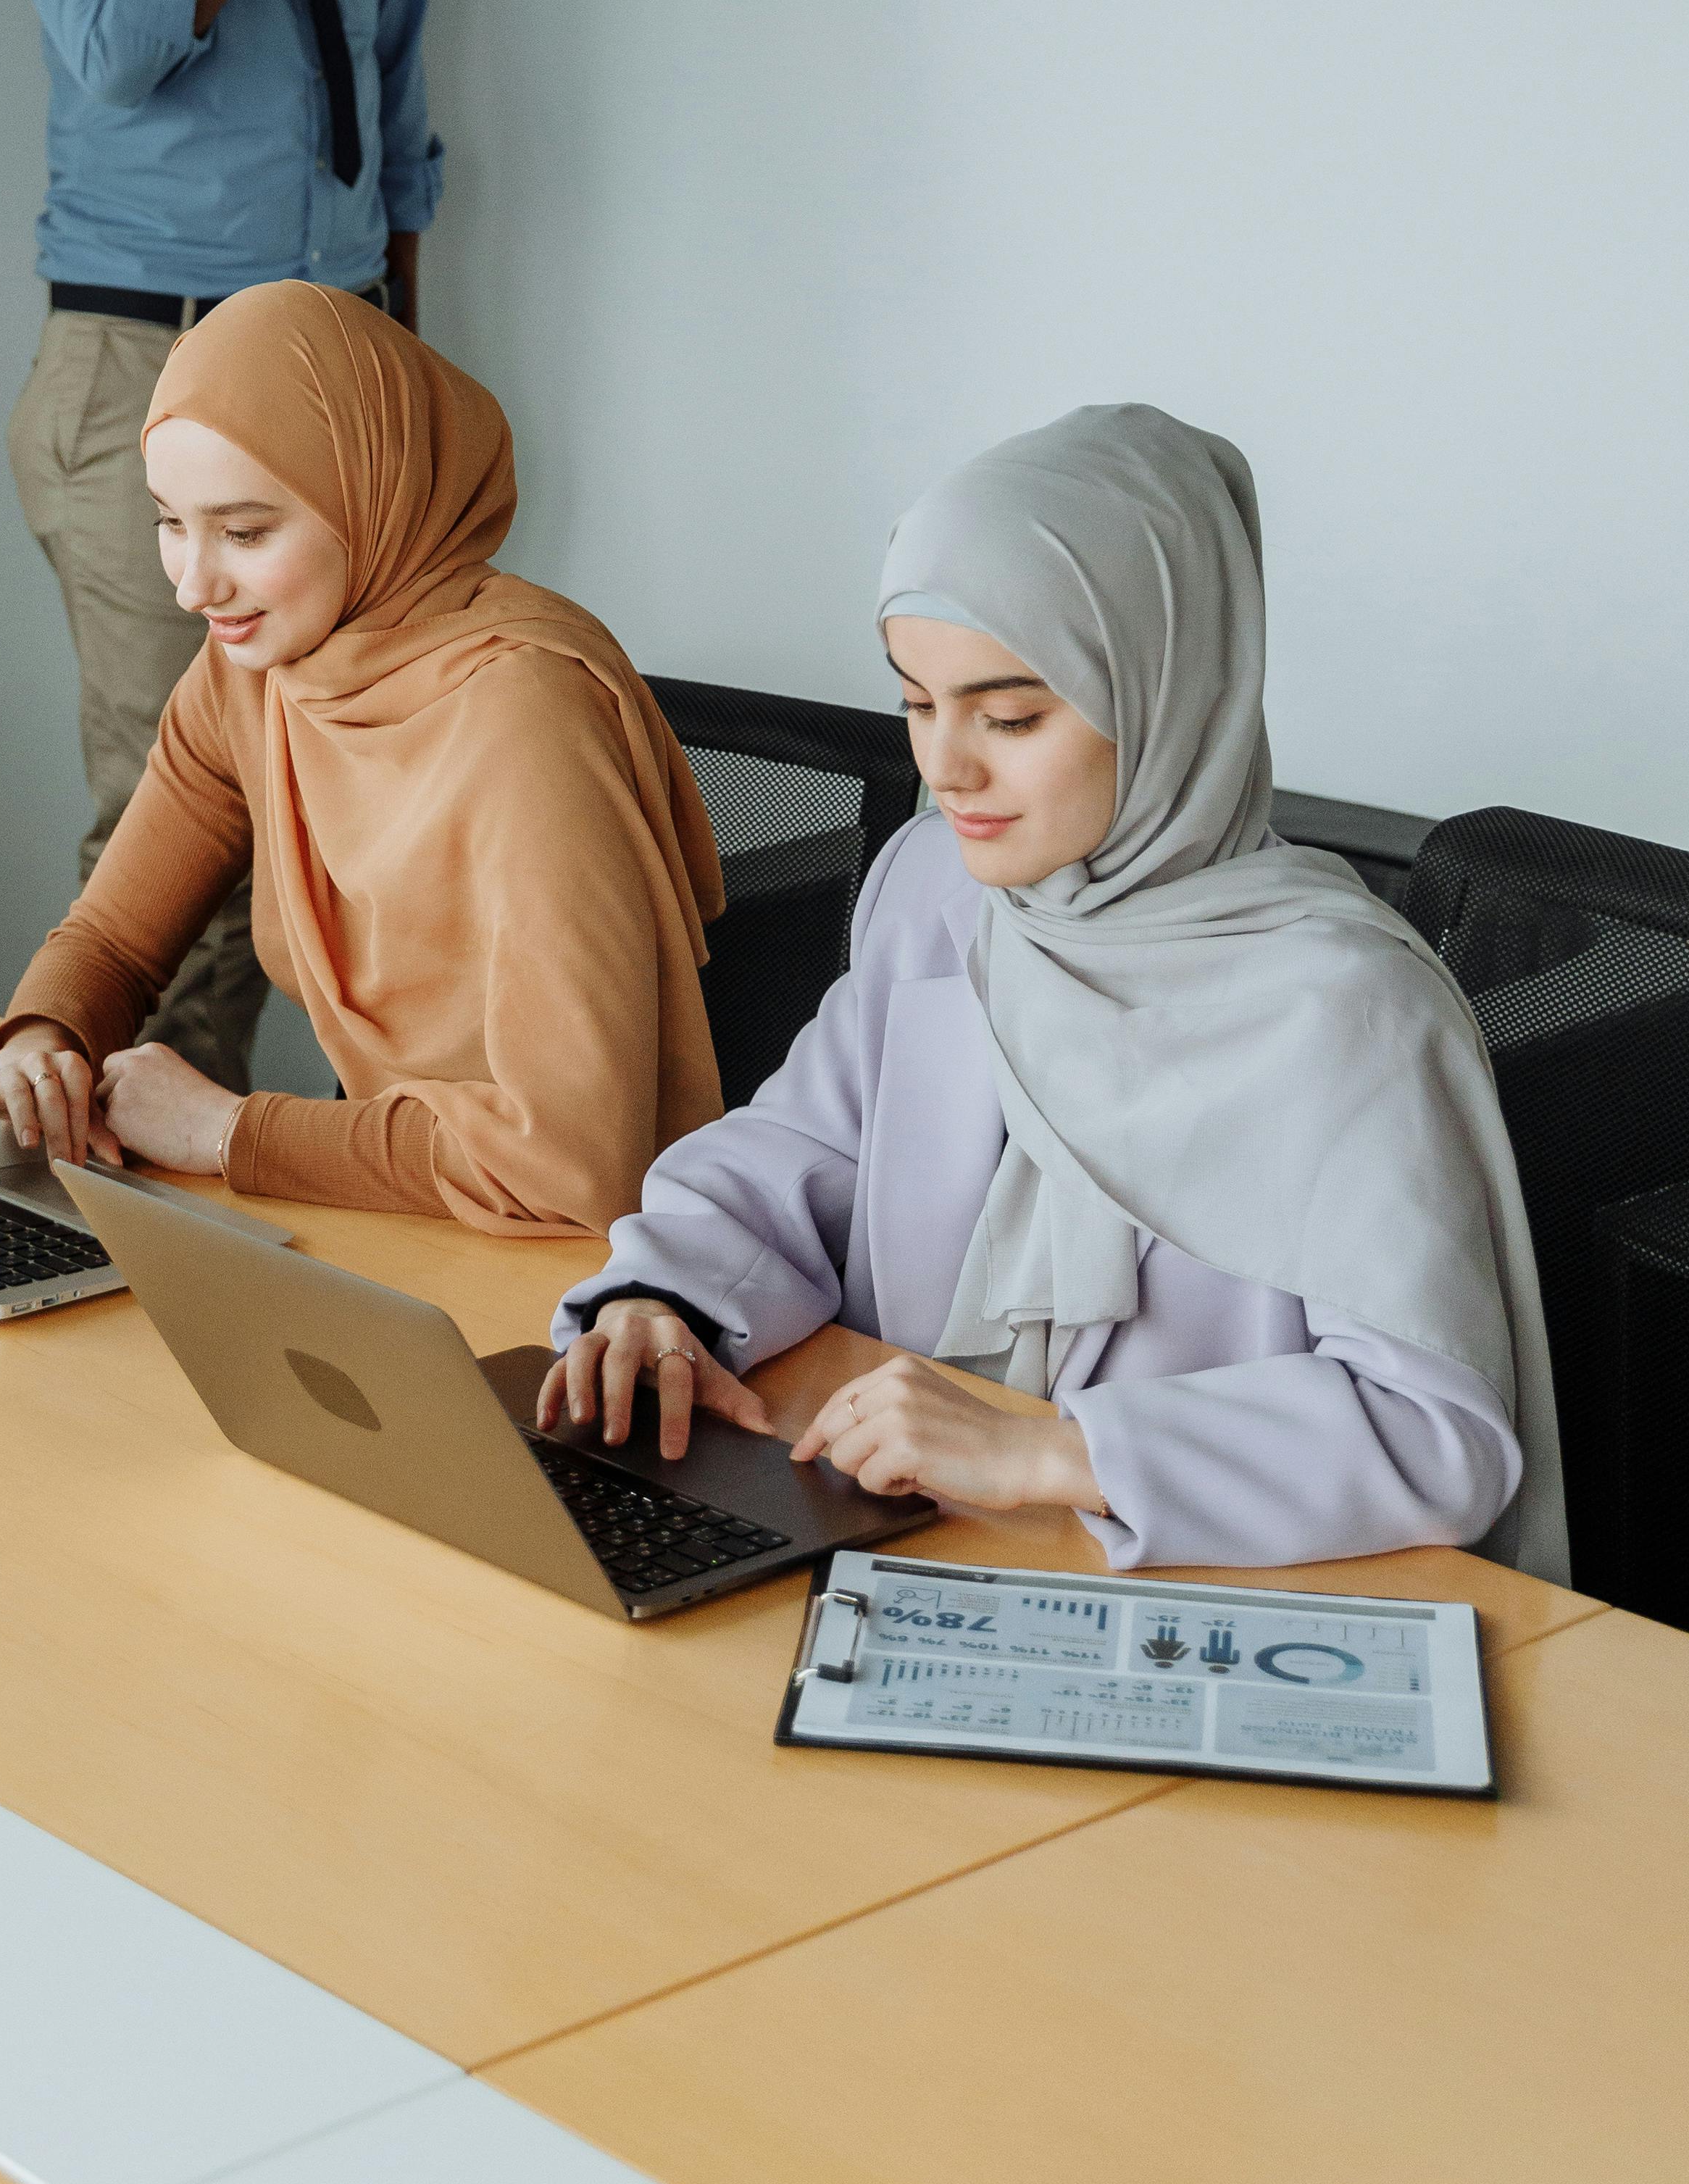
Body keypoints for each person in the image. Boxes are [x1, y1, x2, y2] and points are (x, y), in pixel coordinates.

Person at [542, 404, 1566, 1579]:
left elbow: (1436, 1438)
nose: (947, 767)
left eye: (1013, 714)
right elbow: (792, 1155)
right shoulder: (940, 886)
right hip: (902, 1536)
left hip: (1194, 1594)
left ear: (1167, 690)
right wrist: (657, 1299)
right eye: (917, 705)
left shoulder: (1348, 1008)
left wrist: (1053, 1453)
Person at [0, 0, 441, 1093]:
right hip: (151, 369)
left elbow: (393, 99)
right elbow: (115, 47)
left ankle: (327, 1200)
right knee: (175, 833)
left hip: (346, 364)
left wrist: (413, 356)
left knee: (365, 811)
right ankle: (115, 1222)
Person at [0, 282, 722, 1234]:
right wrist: (45, 1040)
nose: (194, 586)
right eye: (169, 521)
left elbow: (570, 1165)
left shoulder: (524, 713)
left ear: (371, 494)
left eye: (244, 532)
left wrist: (231, 1132)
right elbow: (117, 937)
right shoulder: (258, 667)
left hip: (595, 1273)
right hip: (404, 1224)